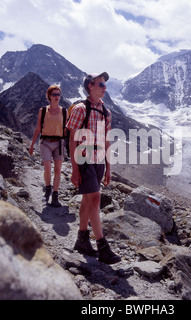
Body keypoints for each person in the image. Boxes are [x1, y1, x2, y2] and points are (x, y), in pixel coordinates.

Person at [66, 72, 121, 265]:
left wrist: (108, 167)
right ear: (90, 86)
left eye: (105, 85)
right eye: (101, 84)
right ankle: (102, 246)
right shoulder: (80, 109)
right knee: (95, 198)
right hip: (83, 158)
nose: (104, 88)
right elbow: (72, 140)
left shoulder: (106, 112)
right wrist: (74, 168)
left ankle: (82, 239)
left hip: (98, 160)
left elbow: (105, 140)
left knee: (87, 200)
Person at [29, 85, 67, 208]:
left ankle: (55, 196)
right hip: (45, 142)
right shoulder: (43, 111)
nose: (57, 97)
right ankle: (47, 187)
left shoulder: (65, 112)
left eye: (58, 94)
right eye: (54, 94)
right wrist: (31, 145)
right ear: (49, 96)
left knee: (57, 170)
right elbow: (38, 128)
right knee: (47, 166)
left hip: (59, 143)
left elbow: (67, 130)